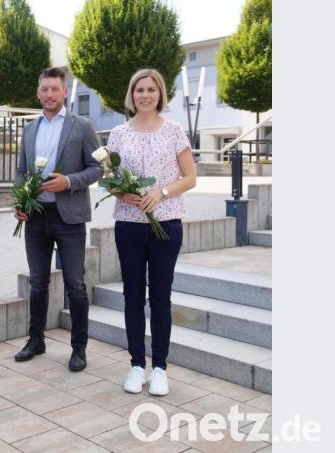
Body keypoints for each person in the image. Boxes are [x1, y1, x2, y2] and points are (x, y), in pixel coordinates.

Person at [108, 68, 196, 396]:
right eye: (139, 90)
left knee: (160, 297)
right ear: (132, 95)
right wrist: (122, 193)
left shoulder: (174, 131)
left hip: (167, 224)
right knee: (132, 296)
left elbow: (190, 177)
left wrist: (162, 192)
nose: (145, 95)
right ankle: (136, 365)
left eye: (151, 89)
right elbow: (110, 180)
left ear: (160, 94)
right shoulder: (118, 133)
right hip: (129, 225)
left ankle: (159, 368)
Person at [13, 67, 102, 371]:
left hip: (70, 217)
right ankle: (35, 340)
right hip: (36, 216)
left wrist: (69, 182)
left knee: (75, 284)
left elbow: (97, 168)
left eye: (55, 89)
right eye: (44, 89)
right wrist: (20, 200)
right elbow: (21, 171)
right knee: (37, 282)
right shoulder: (29, 129)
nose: (49, 94)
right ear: (38, 93)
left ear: (65, 92)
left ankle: (79, 349)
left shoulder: (82, 126)